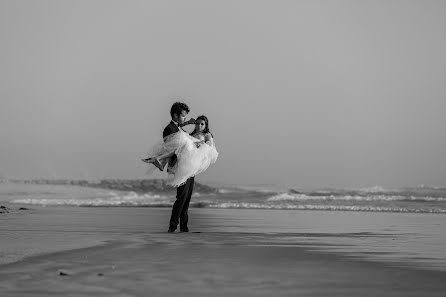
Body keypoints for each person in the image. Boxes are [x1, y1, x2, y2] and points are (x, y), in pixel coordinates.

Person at [142, 102, 218, 233]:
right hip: (180, 167)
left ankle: (184, 227)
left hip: (190, 167)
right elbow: (172, 147)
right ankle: (172, 226)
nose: (184, 119)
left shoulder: (180, 128)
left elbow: (183, 136)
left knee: (186, 198)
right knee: (181, 197)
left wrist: (188, 125)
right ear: (176, 115)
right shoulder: (169, 129)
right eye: (183, 116)